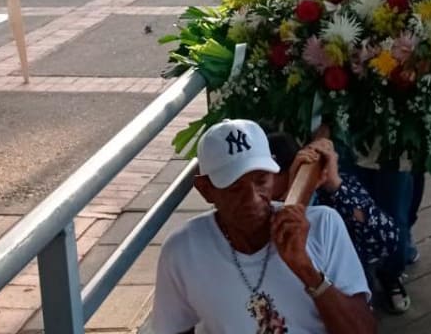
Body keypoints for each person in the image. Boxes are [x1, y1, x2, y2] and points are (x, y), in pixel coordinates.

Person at [152, 119, 375, 334]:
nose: (253, 198)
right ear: (205, 189)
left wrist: (306, 269)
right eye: (234, 187)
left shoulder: (323, 226)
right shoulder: (183, 251)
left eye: (261, 180)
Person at [267, 134, 398, 270]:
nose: (260, 188)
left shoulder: (334, 191)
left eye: (264, 178)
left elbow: (386, 241)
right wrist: (289, 198)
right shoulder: (255, 204)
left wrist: (335, 185)